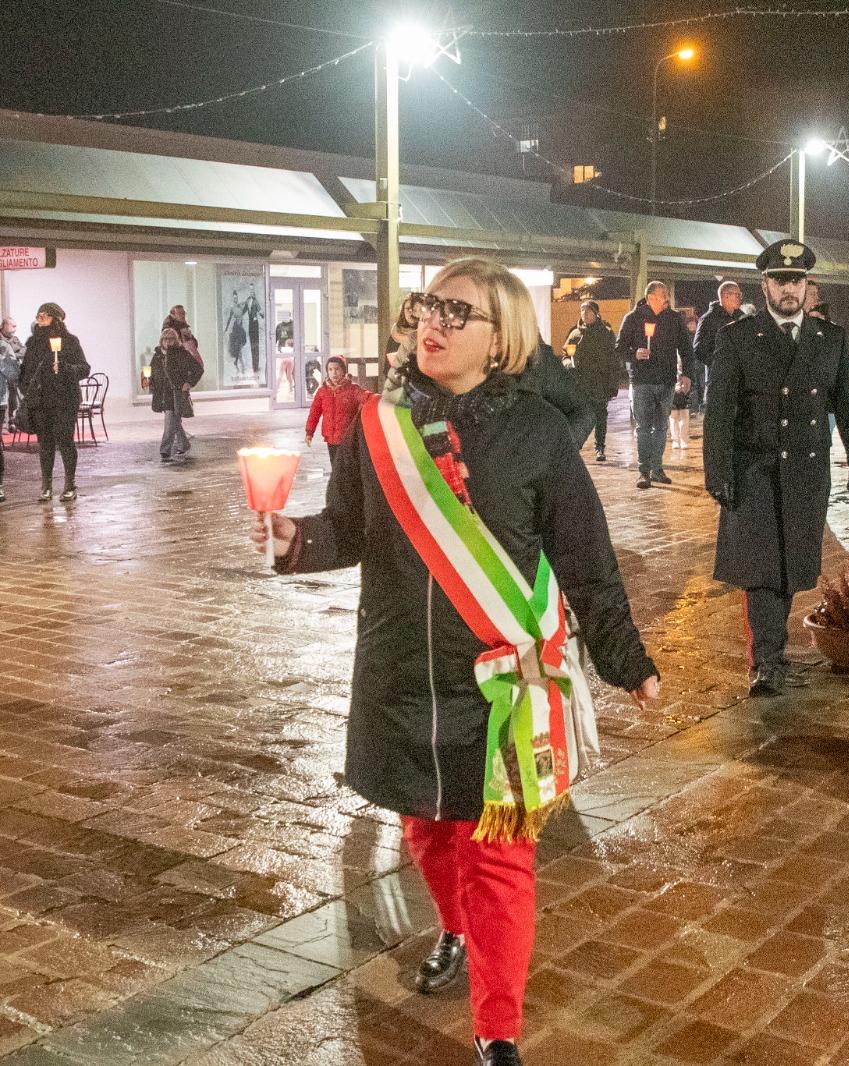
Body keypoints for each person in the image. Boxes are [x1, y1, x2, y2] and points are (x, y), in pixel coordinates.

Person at [254, 257, 659, 1066]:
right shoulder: (373, 423)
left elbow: (587, 557)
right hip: (399, 674)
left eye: (456, 313)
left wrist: (626, 658)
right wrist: (297, 540)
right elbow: (351, 527)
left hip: (500, 682)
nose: (431, 323)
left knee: (499, 853)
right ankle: (457, 928)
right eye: (427, 306)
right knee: (427, 832)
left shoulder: (540, 432)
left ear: (501, 338)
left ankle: (498, 1029)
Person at [704, 238, 849, 695]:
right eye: (780, 280)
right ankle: (766, 661)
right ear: (765, 285)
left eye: (796, 280)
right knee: (761, 569)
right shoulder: (736, 338)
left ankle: (772, 653)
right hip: (754, 470)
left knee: (789, 569)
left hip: (806, 472)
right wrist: (716, 469)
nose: (788, 289)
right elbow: (719, 410)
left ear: (807, 286)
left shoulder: (830, 339)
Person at [615, 281, 693, 489]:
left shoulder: (674, 319)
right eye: (662, 295)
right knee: (643, 428)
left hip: (666, 381)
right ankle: (644, 471)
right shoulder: (633, 318)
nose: (667, 298)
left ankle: (657, 469)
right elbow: (619, 348)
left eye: (666, 294)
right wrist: (634, 354)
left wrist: (686, 374)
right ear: (651, 297)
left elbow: (686, 349)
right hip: (641, 381)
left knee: (661, 427)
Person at [21, 302, 90, 502]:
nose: (39, 320)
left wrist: (67, 369)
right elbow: (26, 370)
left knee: (65, 442)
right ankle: (46, 485)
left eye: (43, 316)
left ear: (55, 318)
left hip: (64, 400)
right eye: (38, 316)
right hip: (41, 401)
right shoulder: (33, 343)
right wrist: (27, 389)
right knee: (45, 444)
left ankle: (70, 484)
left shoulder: (69, 341)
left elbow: (84, 368)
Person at [563, 300, 618, 462]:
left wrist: (612, 385)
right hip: (580, 383)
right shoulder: (575, 334)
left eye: (588, 311)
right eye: (582, 311)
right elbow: (566, 355)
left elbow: (613, 362)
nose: (584, 314)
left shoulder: (606, 334)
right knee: (579, 416)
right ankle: (575, 447)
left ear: (596, 313)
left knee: (600, 416)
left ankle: (599, 447)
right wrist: (568, 364)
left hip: (599, 383)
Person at [151, 326, 204, 463]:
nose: (168, 341)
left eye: (171, 339)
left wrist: (189, 383)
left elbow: (198, 369)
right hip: (163, 394)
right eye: (166, 339)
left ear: (176, 340)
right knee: (175, 421)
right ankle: (184, 445)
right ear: (161, 340)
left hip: (176, 392)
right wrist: (148, 381)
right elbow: (152, 373)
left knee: (170, 421)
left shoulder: (182, 353)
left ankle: (165, 450)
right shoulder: (157, 355)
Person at [304, 355, 369, 466]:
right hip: (331, 437)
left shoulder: (352, 389)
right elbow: (314, 413)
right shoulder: (322, 391)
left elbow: (366, 398)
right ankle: (338, 482)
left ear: (343, 370)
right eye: (330, 369)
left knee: (348, 467)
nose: (334, 373)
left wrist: (378, 399)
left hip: (348, 438)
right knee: (335, 466)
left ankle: (349, 483)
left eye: (337, 369)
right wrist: (309, 432)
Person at [694, 281, 744, 410]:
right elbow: (698, 348)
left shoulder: (741, 318)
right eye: (737, 295)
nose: (740, 298)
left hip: (740, 379)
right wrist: (718, 362)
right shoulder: (709, 319)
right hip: (718, 379)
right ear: (725, 295)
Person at [669, 307, 698, 449]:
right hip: (671, 380)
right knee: (674, 414)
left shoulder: (685, 341)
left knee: (684, 412)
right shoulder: (667, 342)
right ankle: (675, 439)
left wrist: (688, 376)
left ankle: (684, 439)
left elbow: (690, 357)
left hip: (683, 379)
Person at [0, 315, 23, 434]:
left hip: (12, 373)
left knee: (13, 398)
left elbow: (24, 351)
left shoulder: (15, 339)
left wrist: (13, 353)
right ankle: (3, 425)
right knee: (2, 400)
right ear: (4, 326)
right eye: (12, 326)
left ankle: (12, 423)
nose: (15, 328)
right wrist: (12, 352)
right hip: (2, 375)